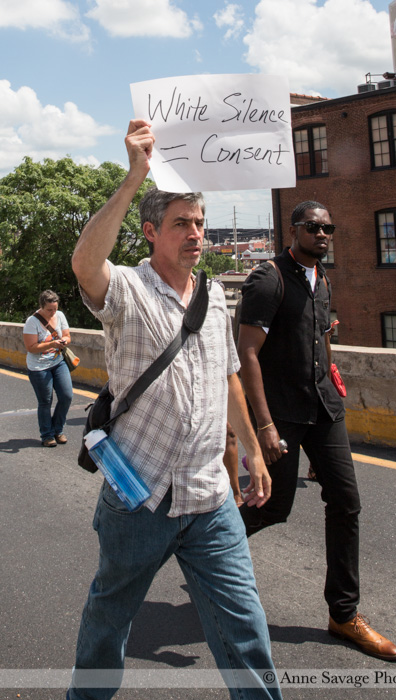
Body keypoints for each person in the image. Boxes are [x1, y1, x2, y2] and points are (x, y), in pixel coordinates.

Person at [67, 119, 282, 700]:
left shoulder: (214, 297)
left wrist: (253, 452)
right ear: (150, 232)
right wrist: (134, 176)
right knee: (109, 619)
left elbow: (228, 378)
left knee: (246, 628)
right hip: (142, 496)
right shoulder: (129, 290)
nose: (196, 234)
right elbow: (85, 264)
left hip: (210, 497)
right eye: (182, 223)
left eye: (200, 223)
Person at [237, 200, 396, 662]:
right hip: (282, 413)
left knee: (346, 502)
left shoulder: (322, 278)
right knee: (273, 508)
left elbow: (323, 336)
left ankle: (343, 615)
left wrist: (331, 374)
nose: (322, 234)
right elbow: (247, 353)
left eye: (329, 227)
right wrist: (263, 425)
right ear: (294, 230)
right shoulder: (268, 279)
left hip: (325, 407)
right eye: (313, 227)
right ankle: (207, 543)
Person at [23, 290, 73, 447]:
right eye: (49, 310)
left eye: (55, 309)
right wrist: (51, 344)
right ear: (41, 306)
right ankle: (47, 435)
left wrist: (64, 341)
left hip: (58, 362)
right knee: (45, 401)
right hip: (39, 367)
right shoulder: (32, 322)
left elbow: (67, 336)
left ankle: (58, 429)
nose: (53, 313)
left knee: (66, 396)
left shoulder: (60, 316)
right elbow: (31, 347)